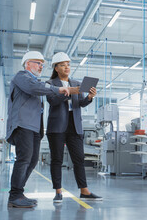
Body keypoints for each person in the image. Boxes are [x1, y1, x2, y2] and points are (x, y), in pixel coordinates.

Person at [6, 51, 77, 208]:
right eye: (38, 63)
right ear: (27, 63)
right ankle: (14, 195)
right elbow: (34, 88)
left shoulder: (35, 82)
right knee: (24, 159)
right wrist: (58, 89)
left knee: (32, 160)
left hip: (34, 128)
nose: (41, 66)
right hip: (23, 124)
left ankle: (18, 192)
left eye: (42, 64)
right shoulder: (22, 76)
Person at [46, 52, 102, 203]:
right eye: (63, 65)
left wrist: (89, 97)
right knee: (57, 159)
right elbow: (52, 100)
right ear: (56, 68)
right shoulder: (50, 84)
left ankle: (84, 191)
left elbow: (81, 104)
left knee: (79, 159)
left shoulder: (76, 83)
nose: (66, 67)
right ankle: (58, 191)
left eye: (68, 65)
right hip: (57, 126)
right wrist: (69, 91)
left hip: (74, 126)